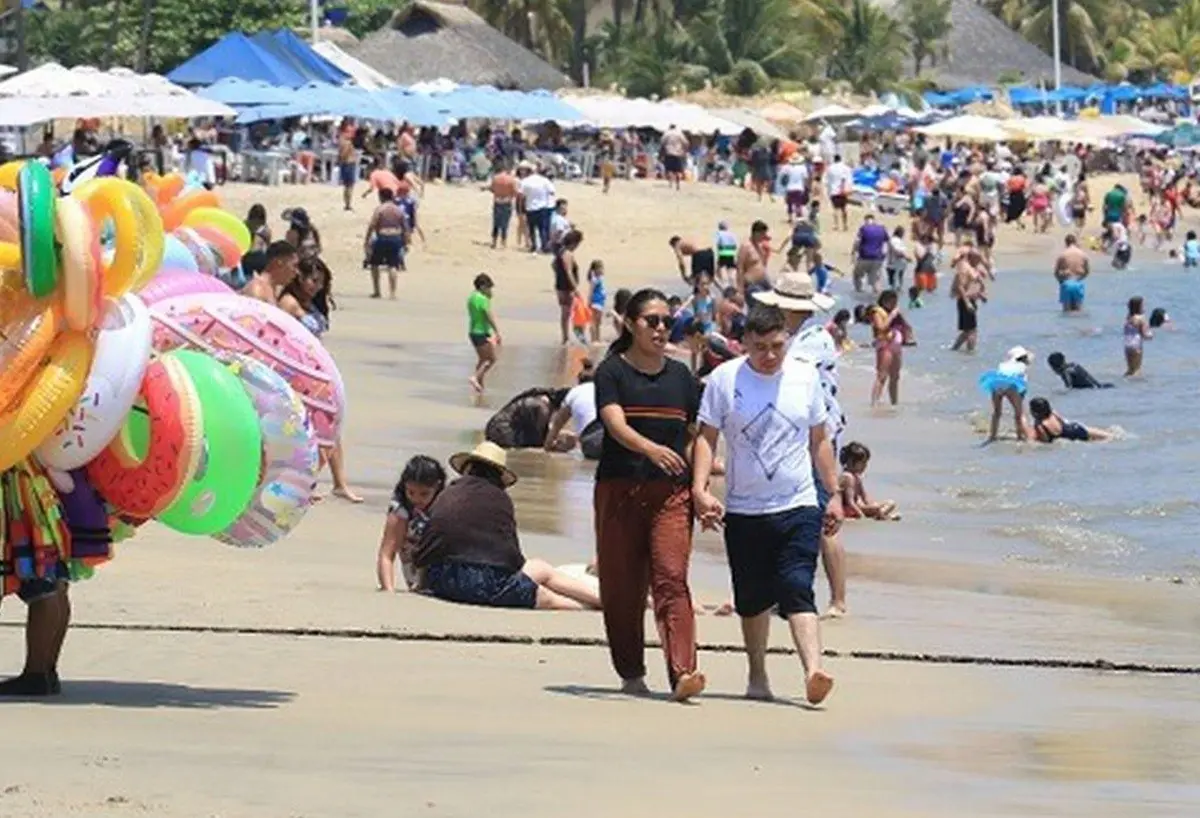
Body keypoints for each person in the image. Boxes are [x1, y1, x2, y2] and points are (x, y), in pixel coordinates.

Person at [692, 304, 841, 705]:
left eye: (777, 346)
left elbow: (820, 439)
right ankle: (758, 677)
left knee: (797, 585)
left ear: (787, 340)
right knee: (752, 597)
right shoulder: (724, 379)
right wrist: (700, 489)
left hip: (799, 503)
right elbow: (705, 437)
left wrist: (834, 493)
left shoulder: (805, 377)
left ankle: (813, 671)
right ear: (744, 344)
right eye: (760, 347)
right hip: (744, 508)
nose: (770, 355)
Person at [594, 288, 705, 702]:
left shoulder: (682, 379)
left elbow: (696, 438)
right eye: (651, 321)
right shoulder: (612, 371)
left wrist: (701, 487)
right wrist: (651, 449)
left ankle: (683, 673)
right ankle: (631, 673)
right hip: (619, 489)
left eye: (666, 321)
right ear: (630, 323)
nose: (661, 328)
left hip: (672, 497)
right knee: (622, 586)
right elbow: (613, 423)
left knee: (672, 580)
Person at [755, 274, 847, 618]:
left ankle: (838, 600)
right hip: (789, 434)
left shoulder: (813, 339)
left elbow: (784, 372)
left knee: (823, 516)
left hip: (816, 436)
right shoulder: (789, 336)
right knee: (785, 512)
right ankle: (785, 593)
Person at [414, 443, 602, 610]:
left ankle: (596, 602)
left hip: (442, 581)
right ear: (498, 476)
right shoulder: (500, 499)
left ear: (468, 468)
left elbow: (430, 543)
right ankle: (599, 602)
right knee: (543, 581)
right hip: (485, 586)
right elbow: (511, 558)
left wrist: (421, 584)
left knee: (538, 579)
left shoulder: (448, 493)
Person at [376, 456, 447, 592]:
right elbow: (386, 554)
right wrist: (388, 590)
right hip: (413, 566)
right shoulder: (400, 508)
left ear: (437, 486)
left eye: (424, 494)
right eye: (411, 492)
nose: (416, 499)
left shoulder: (446, 503)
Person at [544, 363, 602, 460]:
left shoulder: (573, 393)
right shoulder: (606, 390)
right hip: (613, 438)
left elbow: (556, 427)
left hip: (591, 444)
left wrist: (548, 448)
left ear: (578, 382)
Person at [980, 346, 1033, 443]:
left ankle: (992, 436)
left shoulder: (1004, 365)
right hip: (1011, 386)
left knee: (997, 412)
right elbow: (1022, 388)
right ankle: (1023, 437)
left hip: (996, 384)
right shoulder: (1023, 367)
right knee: (1019, 414)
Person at [364, 188, 410, 300]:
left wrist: (367, 240)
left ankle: (377, 291)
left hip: (382, 237)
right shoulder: (398, 210)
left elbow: (372, 224)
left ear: (381, 197)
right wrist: (406, 242)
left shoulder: (380, 209)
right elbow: (405, 227)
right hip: (395, 238)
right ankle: (392, 293)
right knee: (393, 265)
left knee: (375, 264)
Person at [838, 442, 899, 521]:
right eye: (862, 462)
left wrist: (872, 505)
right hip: (847, 509)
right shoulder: (847, 477)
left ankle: (879, 515)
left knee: (891, 503)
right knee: (876, 508)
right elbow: (850, 502)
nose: (865, 465)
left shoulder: (857, 477)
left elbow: (865, 497)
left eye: (866, 462)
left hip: (858, 507)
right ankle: (882, 516)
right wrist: (861, 516)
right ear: (851, 462)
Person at [867, 290, 907, 407]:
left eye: (895, 302)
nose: (894, 304)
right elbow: (881, 327)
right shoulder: (877, 312)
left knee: (895, 376)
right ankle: (874, 403)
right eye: (892, 302)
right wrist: (892, 315)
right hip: (885, 345)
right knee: (882, 375)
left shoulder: (894, 312)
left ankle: (894, 403)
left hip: (896, 345)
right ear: (885, 301)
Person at [950, 243, 987, 353]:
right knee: (972, 330)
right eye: (978, 259)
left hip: (970, 300)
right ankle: (971, 352)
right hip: (965, 301)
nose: (980, 261)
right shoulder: (964, 268)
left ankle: (954, 349)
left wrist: (980, 295)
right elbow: (960, 286)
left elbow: (970, 286)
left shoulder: (972, 268)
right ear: (972, 257)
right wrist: (967, 303)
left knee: (967, 331)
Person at [468, 273, 501, 393]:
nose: (490, 290)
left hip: (473, 332)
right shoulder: (482, 299)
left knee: (482, 359)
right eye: (488, 287)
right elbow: (488, 315)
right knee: (491, 359)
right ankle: (475, 377)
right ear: (482, 287)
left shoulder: (472, 297)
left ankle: (480, 386)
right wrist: (497, 332)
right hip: (481, 332)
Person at [1029, 398, 1113, 443]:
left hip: (1070, 437)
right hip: (1075, 428)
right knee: (1109, 437)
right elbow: (1062, 422)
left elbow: (1046, 441)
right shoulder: (1053, 413)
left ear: (1034, 412)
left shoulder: (1039, 425)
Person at [553, 229, 583, 345]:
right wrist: (575, 288)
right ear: (574, 242)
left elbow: (554, 265)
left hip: (560, 285)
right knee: (566, 313)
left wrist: (558, 275)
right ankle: (565, 338)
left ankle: (565, 337)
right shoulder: (568, 254)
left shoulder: (560, 251)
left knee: (565, 312)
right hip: (566, 287)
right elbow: (569, 272)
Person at [520, 163, 556, 253]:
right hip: (542, 207)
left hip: (530, 207)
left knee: (531, 228)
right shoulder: (544, 180)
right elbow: (552, 192)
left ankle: (534, 246)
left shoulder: (525, 181)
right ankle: (544, 247)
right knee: (542, 228)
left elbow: (521, 195)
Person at [851, 214, 889, 294]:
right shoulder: (882, 229)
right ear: (874, 220)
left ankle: (859, 293)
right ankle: (878, 298)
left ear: (865, 221)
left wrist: (853, 253)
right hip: (878, 259)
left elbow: (857, 242)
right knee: (875, 280)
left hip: (864, 258)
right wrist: (883, 256)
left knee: (857, 275)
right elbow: (886, 244)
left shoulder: (863, 228)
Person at [736, 220, 771, 303]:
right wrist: (740, 290)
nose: (764, 237)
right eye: (762, 234)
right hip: (752, 284)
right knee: (760, 307)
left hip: (763, 282)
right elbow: (740, 268)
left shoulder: (760, 246)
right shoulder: (746, 246)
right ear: (756, 233)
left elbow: (762, 264)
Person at [1055, 234, 1090, 313]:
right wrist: (1079, 278)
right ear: (1075, 242)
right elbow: (1087, 271)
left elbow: (1056, 272)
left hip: (1066, 283)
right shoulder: (1083, 254)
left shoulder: (1062, 255)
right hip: (1078, 283)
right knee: (1078, 311)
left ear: (1066, 243)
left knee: (1066, 311)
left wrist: (1061, 281)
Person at [490, 163, 518, 249]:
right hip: (507, 201)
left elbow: (492, 189)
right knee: (505, 223)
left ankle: (494, 241)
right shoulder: (511, 179)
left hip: (497, 201)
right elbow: (515, 192)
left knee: (496, 222)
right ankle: (503, 241)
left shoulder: (495, 178)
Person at [1047, 351, 1112, 389]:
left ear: (1054, 367)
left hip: (1092, 389)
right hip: (1103, 386)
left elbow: (1069, 388)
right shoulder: (1074, 365)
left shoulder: (1065, 373)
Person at [1124, 295, 1152, 377]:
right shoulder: (1141, 318)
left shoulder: (1129, 317)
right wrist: (1150, 335)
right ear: (1139, 306)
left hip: (1127, 345)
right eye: (1143, 305)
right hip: (1136, 345)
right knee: (1137, 369)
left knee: (1130, 369)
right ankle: (1134, 387)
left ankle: (1124, 382)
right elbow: (1143, 334)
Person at [825, 154, 852, 232]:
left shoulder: (830, 168)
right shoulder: (846, 168)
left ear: (834, 159)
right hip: (843, 190)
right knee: (844, 208)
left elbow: (827, 180)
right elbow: (848, 179)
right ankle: (845, 224)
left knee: (835, 209)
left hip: (834, 190)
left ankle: (836, 225)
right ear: (840, 159)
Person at [661, 124, 688, 191]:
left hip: (669, 152)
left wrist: (662, 152)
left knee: (670, 169)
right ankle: (678, 184)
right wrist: (684, 151)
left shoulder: (666, 133)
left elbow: (662, 142)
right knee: (678, 170)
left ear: (670, 127)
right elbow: (686, 142)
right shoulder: (679, 133)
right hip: (678, 153)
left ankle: (670, 183)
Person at [885, 225, 912, 291]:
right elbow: (897, 251)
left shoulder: (897, 240)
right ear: (900, 233)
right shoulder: (895, 240)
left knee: (895, 281)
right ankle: (897, 290)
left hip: (897, 263)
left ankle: (896, 290)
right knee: (896, 279)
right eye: (903, 233)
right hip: (895, 263)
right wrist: (906, 257)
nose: (903, 235)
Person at [337, 127, 357, 211]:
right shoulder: (347, 142)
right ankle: (348, 204)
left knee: (346, 185)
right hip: (349, 163)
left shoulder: (341, 141)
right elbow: (344, 153)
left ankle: (347, 203)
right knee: (350, 185)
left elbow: (341, 154)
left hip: (345, 164)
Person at [587, 260, 607, 343]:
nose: (602, 270)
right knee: (594, 321)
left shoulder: (601, 278)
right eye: (600, 268)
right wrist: (589, 301)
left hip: (600, 302)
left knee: (599, 322)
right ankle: (593, 339)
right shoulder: (594, 279)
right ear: (595, 270)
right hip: (596, 302)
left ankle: (598, 338)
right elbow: (591, 291)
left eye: (602, 268)